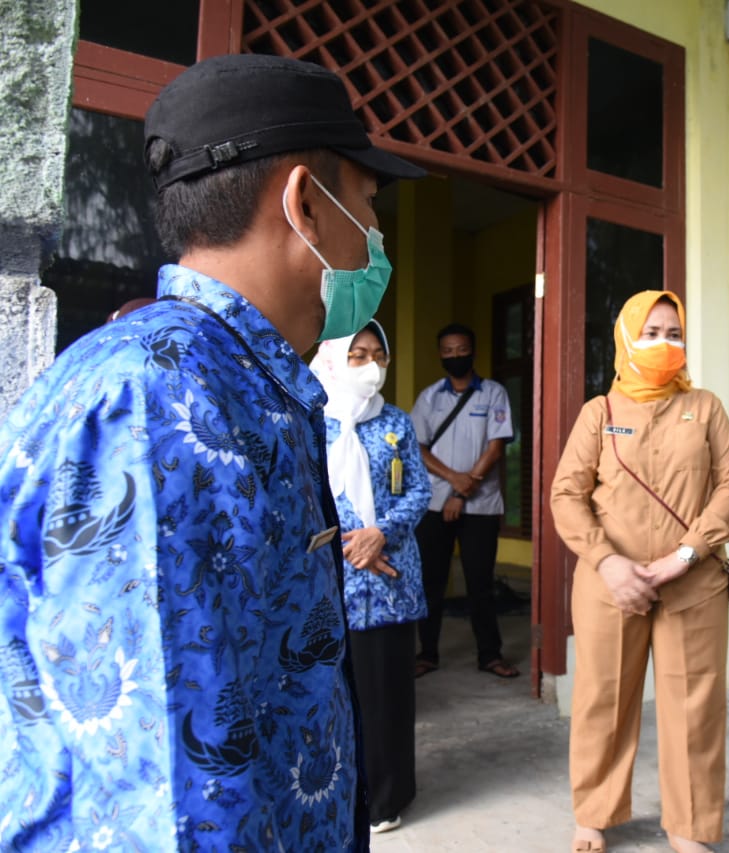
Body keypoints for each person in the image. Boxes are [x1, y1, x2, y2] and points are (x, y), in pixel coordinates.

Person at [0, 54, 424, 850]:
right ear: (306, 201)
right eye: (368, 205)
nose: (374, 237)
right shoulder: (157, 403)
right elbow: (167, 794)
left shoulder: (246, 383)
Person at [550, 290, 729, 853]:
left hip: (692, 583)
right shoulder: (600, 413)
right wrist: (608, 561)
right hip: (610, 585)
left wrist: (684, 555)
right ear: (626, 338)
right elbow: (567, 494)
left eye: (675, 333)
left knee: (695, 706)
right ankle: (594, 812)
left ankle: (691, 826)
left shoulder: (705, 408)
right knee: (603, 699)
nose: (665, 343)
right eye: (652, 332)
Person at [310, 321, 432, 834]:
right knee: (338, 697)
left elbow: (419, 492)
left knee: (388, 696)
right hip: (332, 583)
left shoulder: (397, 423)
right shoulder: (312, 424)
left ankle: (388, 796)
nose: (370, 366)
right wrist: (354, 542)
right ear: (333, 359)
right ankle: (342, 794)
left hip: (390, 584)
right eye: (357, 354)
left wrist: (380, 534)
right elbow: (306, 494)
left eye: (378, 355)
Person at [411, 323, 519, 678]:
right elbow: (419, 447)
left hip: (480, 506)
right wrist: (454, 481)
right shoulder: (429, 398)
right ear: (440, 354)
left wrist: (463, 489)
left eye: (461, 349)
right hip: (434, 505)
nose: (455, 356)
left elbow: (497, 445)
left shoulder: (493, 393)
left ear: (472, 351)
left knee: (480, 583)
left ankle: (490, 655)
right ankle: (426, 653)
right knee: (431, 582)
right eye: (448, 351)